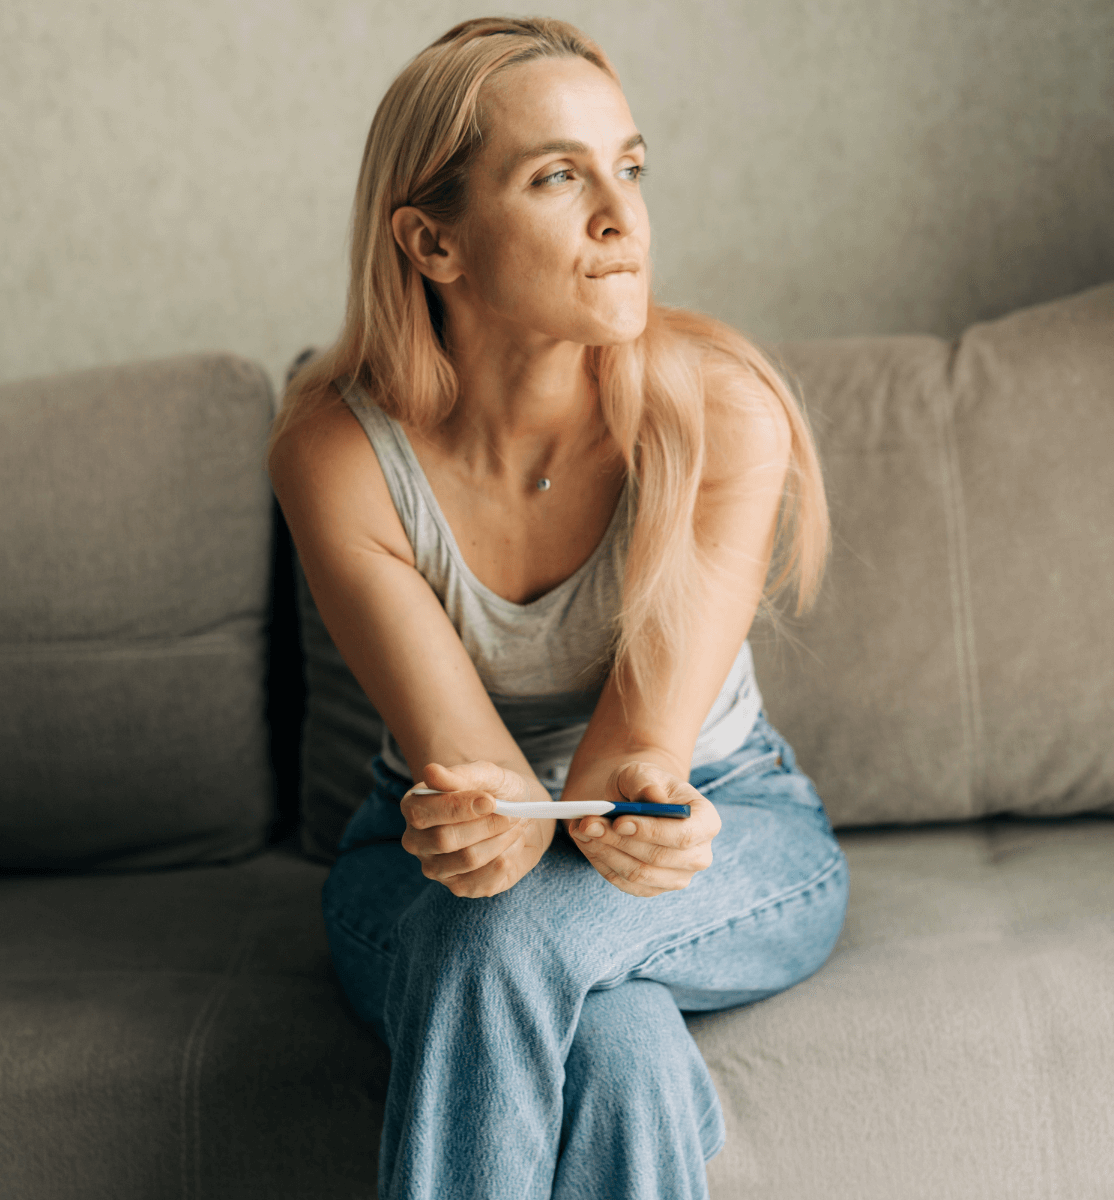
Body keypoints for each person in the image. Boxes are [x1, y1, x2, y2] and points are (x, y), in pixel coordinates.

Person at [269, 16, 849, 1200]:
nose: (622, 217)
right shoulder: (335, 451)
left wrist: (656, 820)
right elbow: (492, 796)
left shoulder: (721, 412)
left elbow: (638, 760)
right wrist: (479, 822)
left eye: (628, 167)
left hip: (722, 825)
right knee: (619, 1047)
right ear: (433, 242)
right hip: (427, 856)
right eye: (558, 177)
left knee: (515, 940)